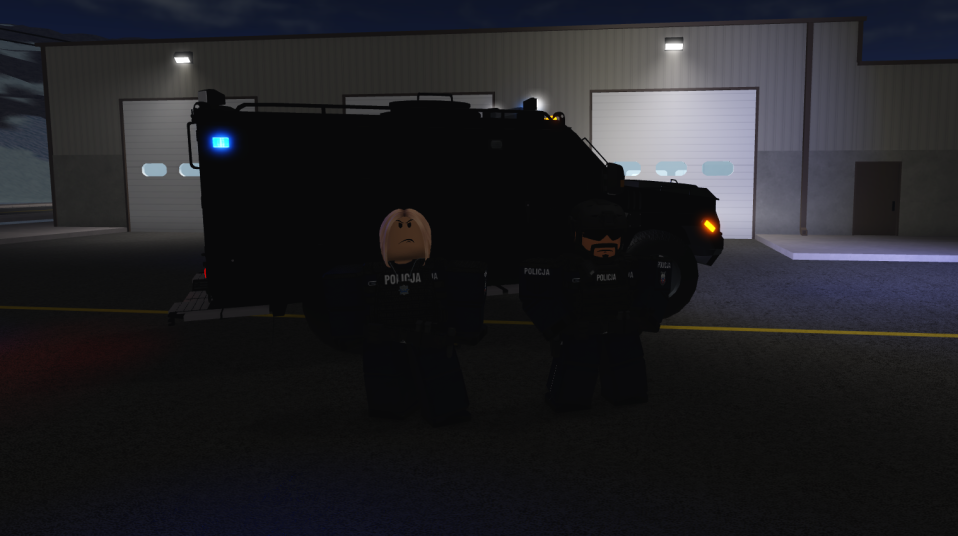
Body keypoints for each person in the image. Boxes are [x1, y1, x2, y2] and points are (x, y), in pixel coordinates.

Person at [520, 199, 668, 411]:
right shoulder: (567, 266)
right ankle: (566, 399)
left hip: (621, 330)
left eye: (613, 236)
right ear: (576, 234)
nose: (605, 241)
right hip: (581, 331)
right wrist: (562, 325)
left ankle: (624, 395)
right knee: (573, 378)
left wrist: (642, 317)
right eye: (596, 236)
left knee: (628, 374)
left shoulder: (631, 265)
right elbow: (538, 298)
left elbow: (655, 291)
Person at [351, 208, 483, 426]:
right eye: (398, 228)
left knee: (440, 376)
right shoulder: (373, 272)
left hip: (429, 333)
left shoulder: (435, 268)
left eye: (411, 227)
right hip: (387, 335)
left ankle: (446, 410)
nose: (405, 231)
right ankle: (392, 408)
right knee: (387, 379)